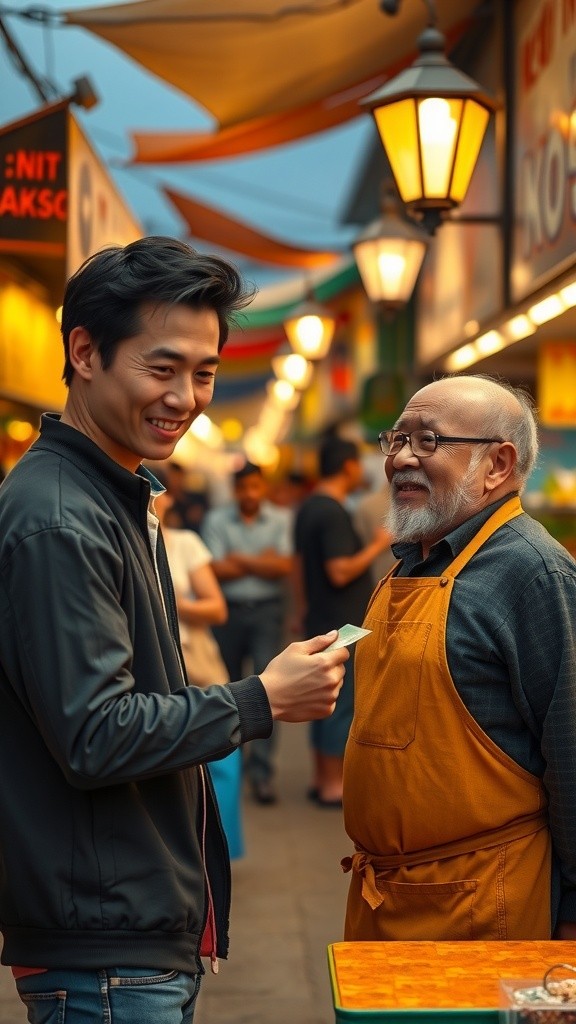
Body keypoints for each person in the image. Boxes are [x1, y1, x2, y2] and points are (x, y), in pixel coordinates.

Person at [0, 236, 349, 1024]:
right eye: (162, 369)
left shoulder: (112, 494)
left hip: (124, 933)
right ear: (84, 353)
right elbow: (96, 733)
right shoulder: (61, 517)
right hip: (104, 950)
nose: (186, 398)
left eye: (205, 373)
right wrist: (261, 699)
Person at [342, 373, 576, 943]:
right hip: (385, 895)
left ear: (498, 464)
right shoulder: (414, 559)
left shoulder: (534, 574)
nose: (401, 459)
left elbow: (571, 754)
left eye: (428, 440)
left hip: (483, 903)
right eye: (397, 439)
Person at [294, 436, 392, 807]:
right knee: (340, 701)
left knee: (322, 700)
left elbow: (299, 566)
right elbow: (339, 572)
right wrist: (378, 545)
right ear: (348, 466)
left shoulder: (308, 506)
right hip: (342, 623)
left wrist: (301, 609)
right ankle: (333, 785)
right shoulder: (333, 512)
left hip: (321, 616)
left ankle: (321, 778)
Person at [154, 485, 244, 860]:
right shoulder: (118, 538)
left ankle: (217, 851)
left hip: (197, 665)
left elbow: (216, 609)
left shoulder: (184, 543)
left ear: (167, 499)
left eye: (155, 492)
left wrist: (166, 602)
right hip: (154, 672)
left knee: (220, 756)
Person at [202, 461, 293, 805]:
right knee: (225, 689)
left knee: (270, 689)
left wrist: (238, 560)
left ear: (263, 487)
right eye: (243, 488)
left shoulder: (281, 518)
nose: (250, 494)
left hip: (267, 612)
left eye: (255, 487)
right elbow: (213, 569)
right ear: (235, 490)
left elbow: (283, 566)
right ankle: (230, 771)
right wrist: (261, 562)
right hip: (228, 613)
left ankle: (262, 775)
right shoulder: (216, 519)